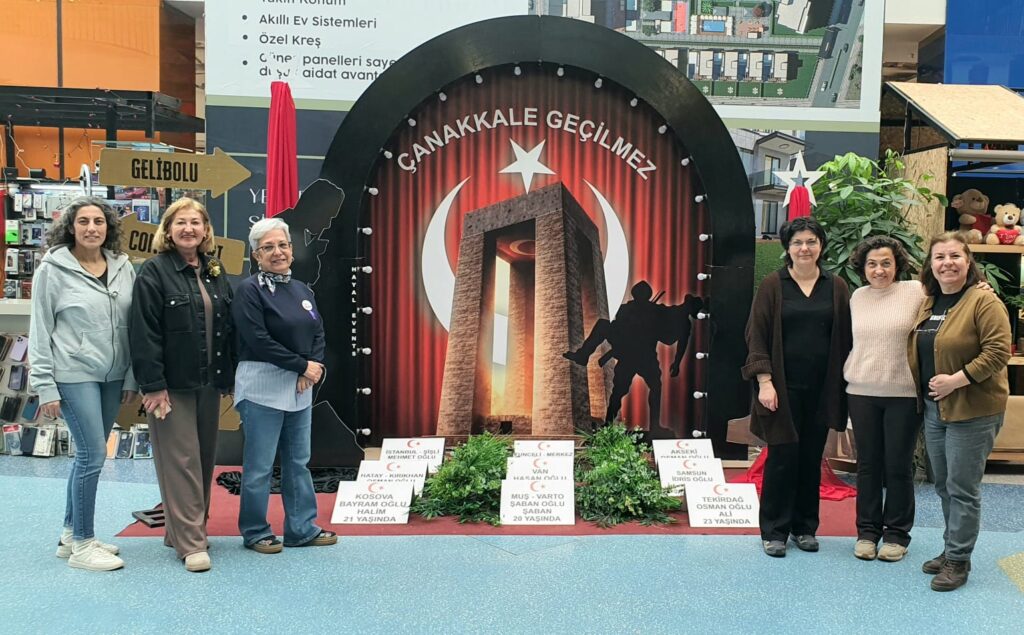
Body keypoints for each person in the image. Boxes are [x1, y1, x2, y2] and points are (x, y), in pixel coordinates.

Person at [28, 196, 138, 571]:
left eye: (99, 221)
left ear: (109, 227)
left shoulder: (123, 266)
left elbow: (133, 326)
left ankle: (69, 534)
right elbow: (40, 330)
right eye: (83, 221)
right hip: (73, 374)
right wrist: (45, 385)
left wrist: (131, 375)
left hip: (113, 376)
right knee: (93, 455)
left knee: (87, 456)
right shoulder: (52, 269)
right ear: (71, 227)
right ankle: (83, 544)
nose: (92, 228)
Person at [130, 197, 236, 573]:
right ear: (168, 230)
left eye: (195, 222)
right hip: (170, 386)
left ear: (206, 230)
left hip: (209, 382)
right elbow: (143, 333)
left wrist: (228, 377)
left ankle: (184, 531)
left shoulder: (214, 269)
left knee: (204, 458)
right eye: (180, 222)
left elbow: (227, 327)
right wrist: (153, 385)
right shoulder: (153, 271)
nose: (188, 229)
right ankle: (191, 543)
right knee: (181, 461)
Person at [742, 216, 852, 558]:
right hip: (781, 389)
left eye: (811, 241)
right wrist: (764, 381)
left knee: (810, 458)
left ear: (821, 245)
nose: (805, 248)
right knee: (782, 457)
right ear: (787, 248)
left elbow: (847, 336)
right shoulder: (773, 285)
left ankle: (805, 528)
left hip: (823, 389)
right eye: (797, 242)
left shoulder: (836, 286)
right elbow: (756, 334)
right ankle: (774, 531)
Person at [909, 232, 1010, 592]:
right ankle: (953, 547)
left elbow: (998, 352)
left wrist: (956, 380)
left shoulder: (984, 301)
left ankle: (959, 560)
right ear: (931, 264)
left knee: (963, 488)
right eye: (939, 257)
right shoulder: (929, 301)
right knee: (944, 484)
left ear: (969, 262)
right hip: (935, 410)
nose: (947, 263)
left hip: (973, 410)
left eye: (955, 256)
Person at [233, 217, 336, 553]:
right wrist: (302, 366)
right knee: (260, 466)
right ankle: (255, 531)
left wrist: (312, 367)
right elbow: (258, 340)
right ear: (256, 255)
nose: (277, 252)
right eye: (268, 247)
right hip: (261, 387)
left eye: (283, 245)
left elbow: (318, 331)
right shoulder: (249, 290)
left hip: (299, 388)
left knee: (297, 462)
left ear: (291, 249)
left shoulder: (303, 290)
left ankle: (301, 528)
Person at [844, 236, 925, 562]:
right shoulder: (857, 297)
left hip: (903, 394)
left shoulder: (916, 291)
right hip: (861, 391)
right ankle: (867, 533)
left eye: (886, 263)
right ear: (863, 268)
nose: (879, 270)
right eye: (872, 264)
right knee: (867, 466)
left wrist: (983, 287)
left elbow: (954, 298)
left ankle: (896, 535)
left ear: (897, 265)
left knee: (898, 466)